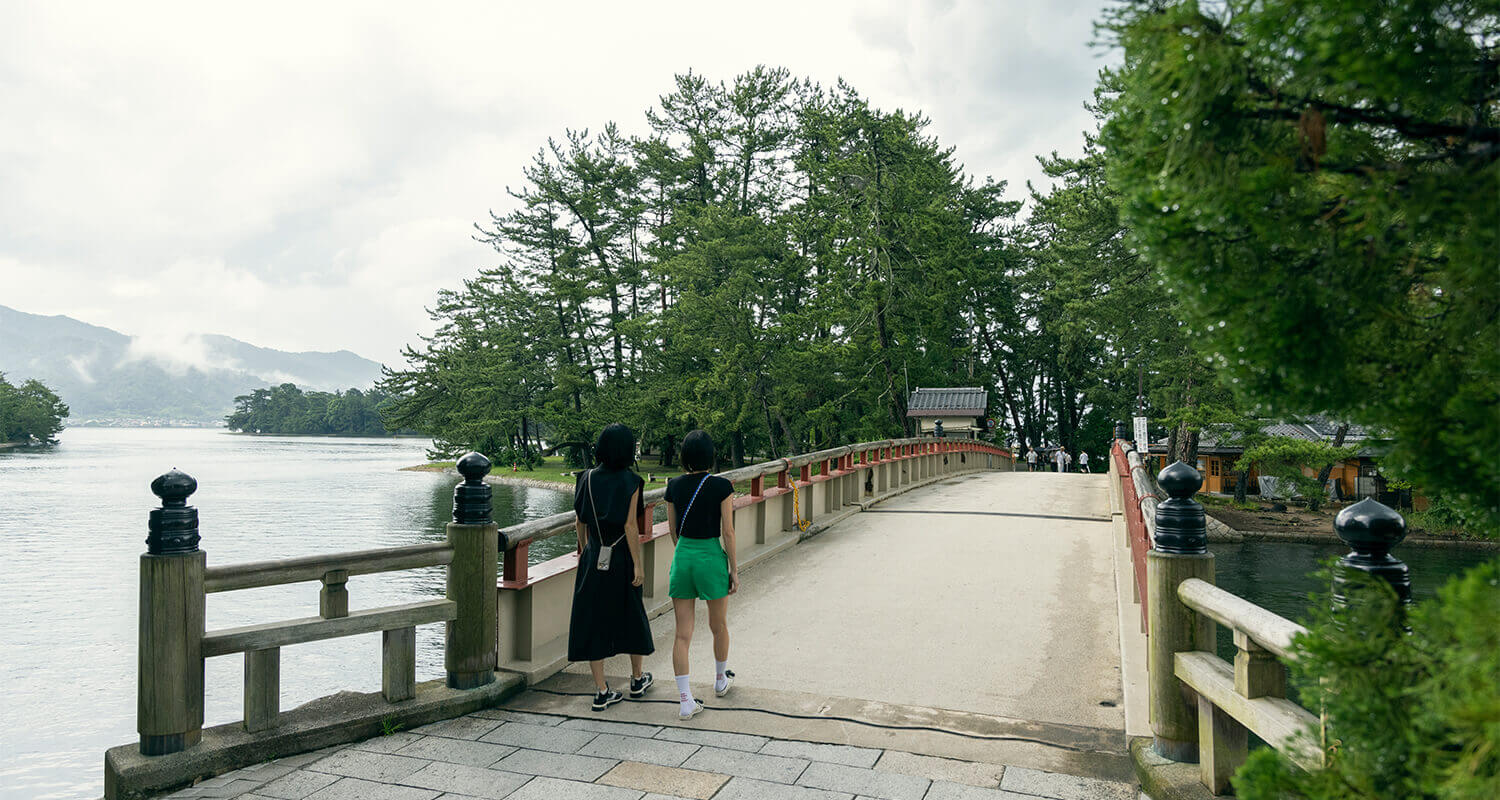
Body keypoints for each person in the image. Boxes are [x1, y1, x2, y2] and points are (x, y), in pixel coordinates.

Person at [568, 423, 654, 711]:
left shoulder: (586, 478)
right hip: (621, 556)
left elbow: (579, 521)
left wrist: (583, 549)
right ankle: (637, 679)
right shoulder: (632, 481)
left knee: (594, 618)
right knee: (631, 614)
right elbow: (630, 526)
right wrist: (638, 566)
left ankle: (601, 689)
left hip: (594, 556)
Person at [664, 430, 739, 720]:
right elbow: (728, 532)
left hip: (683, 556)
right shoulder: (721, 486)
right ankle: (720, 681)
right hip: (710, 558)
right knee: (718, 625)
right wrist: (734, 569)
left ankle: (685, 701)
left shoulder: (673, 486)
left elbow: (672, 530)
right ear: (711, 455)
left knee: (682, 634)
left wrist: (684, 554)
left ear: (683, 457)